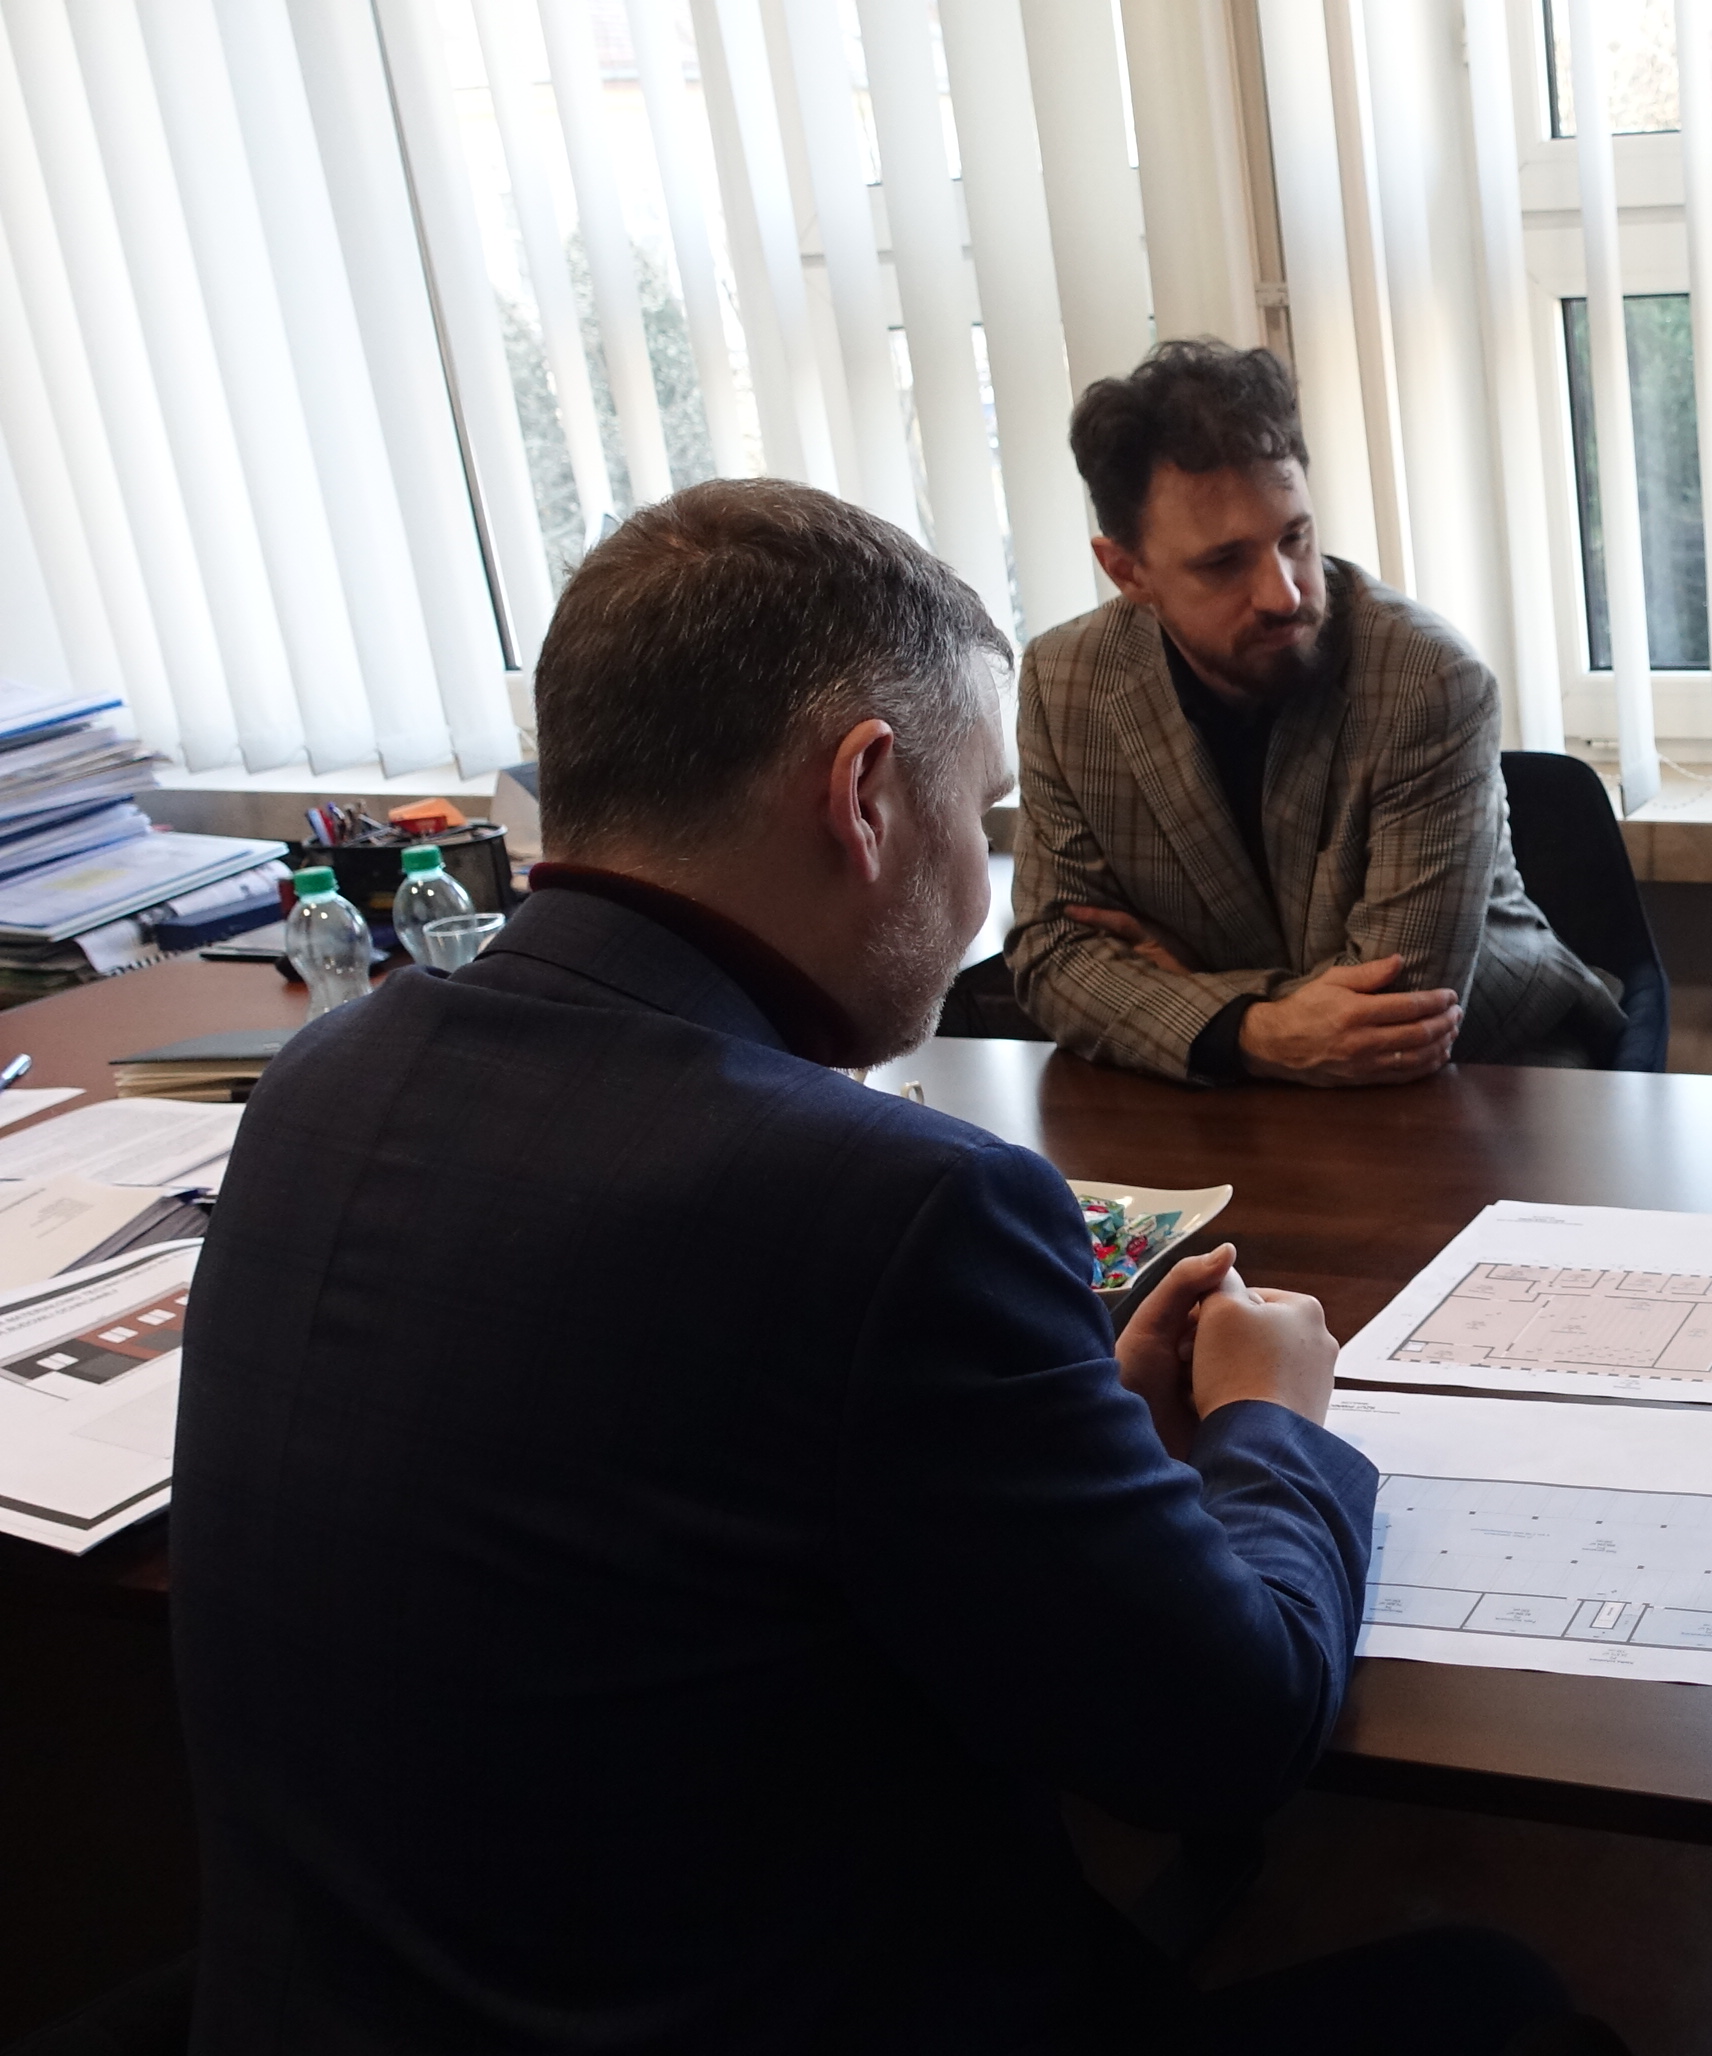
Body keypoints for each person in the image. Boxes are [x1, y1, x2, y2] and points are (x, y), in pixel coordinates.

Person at [174, 481, 1612, 2054]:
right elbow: (1233, 1734)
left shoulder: (321, 1083)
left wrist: (1067, 1416)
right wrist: (1274, 1423)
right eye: (981, 816)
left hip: (340, 2008)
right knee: (1511, 2006)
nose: (985, 883)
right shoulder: (892, 1207)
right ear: (863, 796)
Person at [1008, 340, 1620, 1086]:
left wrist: (1189, 992)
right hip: (1234, 1090)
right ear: (1127, 571)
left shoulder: (1427, 681)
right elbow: (1050, 958)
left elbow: (1396, 1009)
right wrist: (1251, 1028)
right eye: (1223, 563)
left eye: (1294, 537)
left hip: (1491, 1068)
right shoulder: (1065, 681)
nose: (1285, 594)